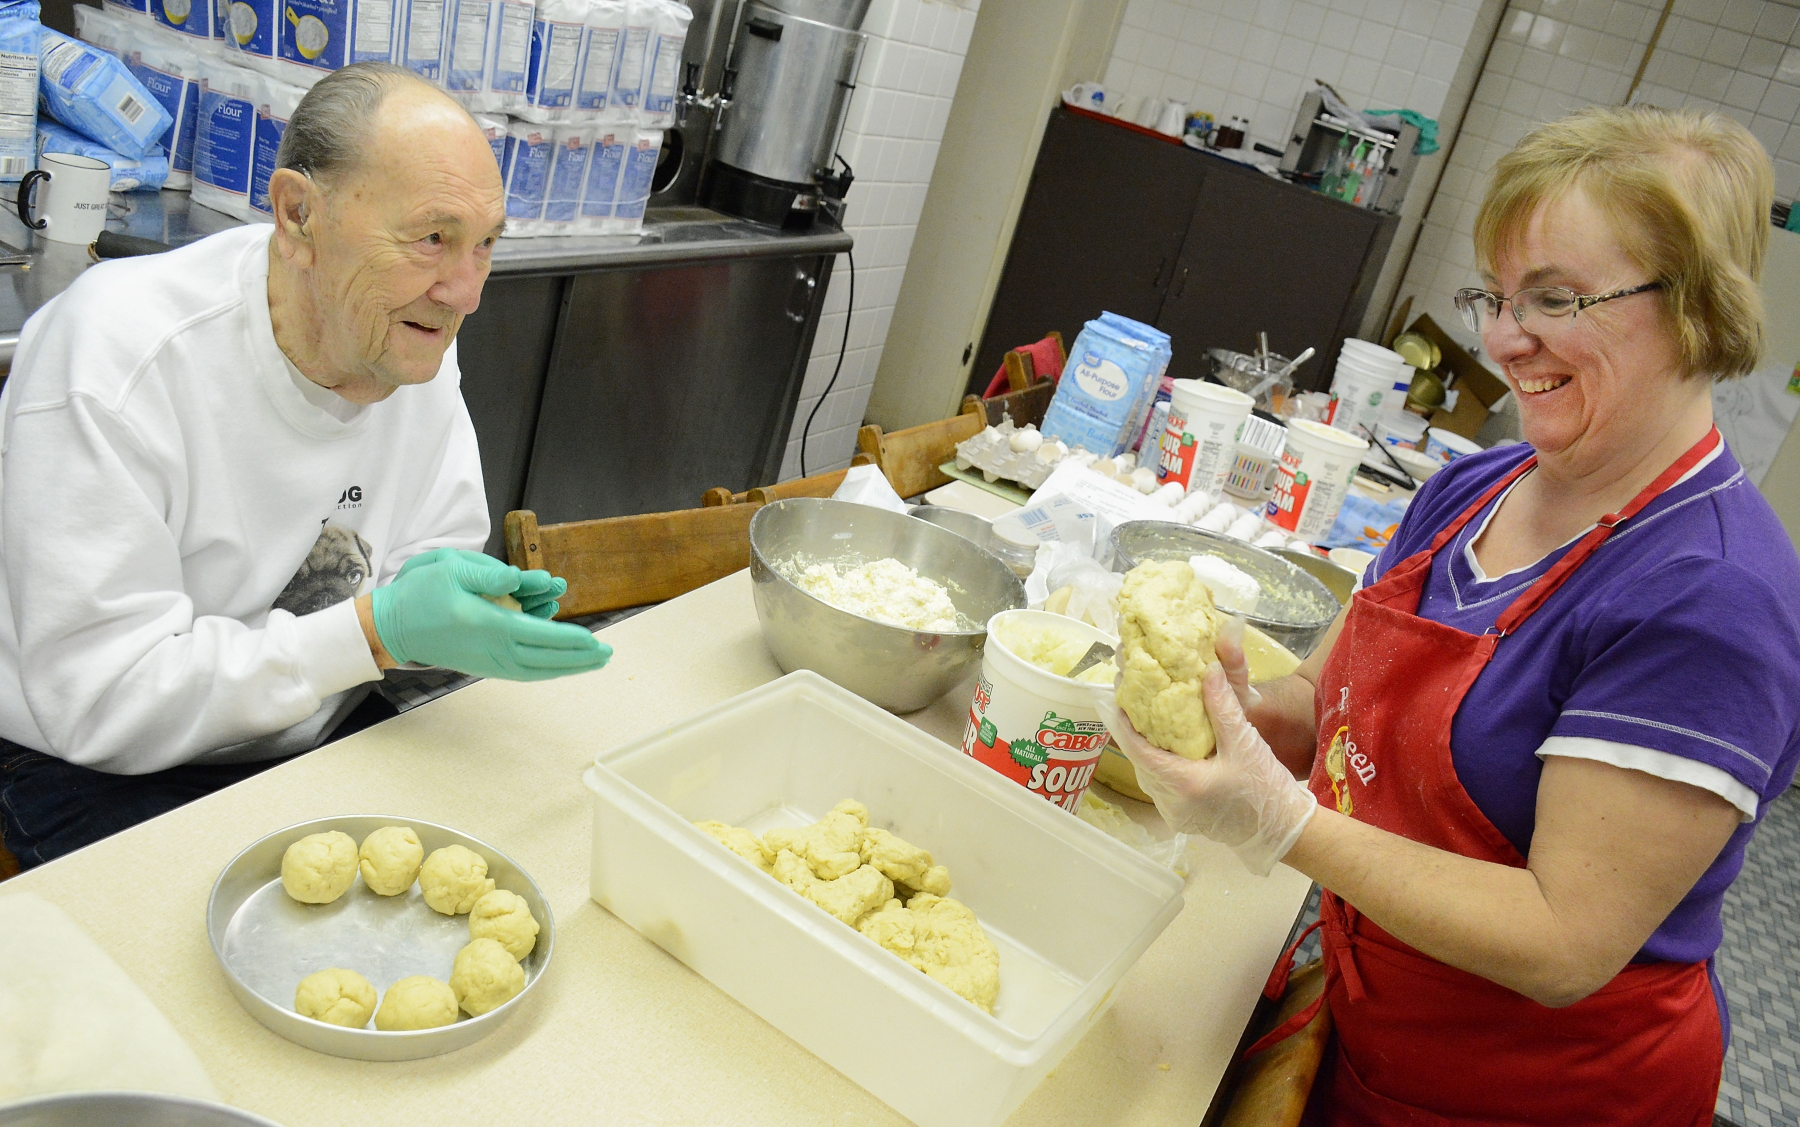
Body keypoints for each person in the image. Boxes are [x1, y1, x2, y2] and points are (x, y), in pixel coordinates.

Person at [1101, 105, 1800, 1125]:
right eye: (1496, 295)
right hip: (1374, 1019)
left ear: (1697, 309)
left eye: (1556, 299)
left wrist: (1284, 820)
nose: (1505, 340)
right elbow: (1323, 701)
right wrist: (1234, 710)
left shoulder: (1709, 596)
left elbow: (1565, 938)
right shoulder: (1472, 489)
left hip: (1532, 1095)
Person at [0, 63, 611, 870]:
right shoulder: (117, 360)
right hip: (100, 761)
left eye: (486, 244)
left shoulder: (410, 339)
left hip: (316, 722)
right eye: (432, 237)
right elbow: (105, 695)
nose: (464, 292)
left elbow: (423, 556)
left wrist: (458, 610)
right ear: (297, 216)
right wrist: (374, 628)